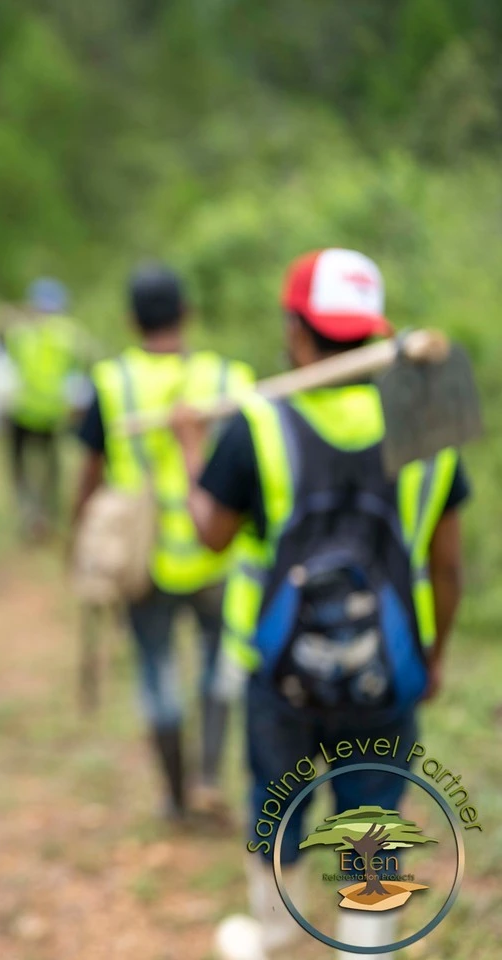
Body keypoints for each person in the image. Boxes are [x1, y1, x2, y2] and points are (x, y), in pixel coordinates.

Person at [178, 250, 466, 960]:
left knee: (276, 802)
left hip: (279, 667)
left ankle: (273, 934)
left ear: (298, 333)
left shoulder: (256, 422)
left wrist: (193, 449)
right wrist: (434, 652)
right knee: (373, 812)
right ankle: (365, 943)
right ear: (375, 332)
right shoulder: (423, 421)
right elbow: (448, 561)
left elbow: (210, 536)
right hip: (389, 663)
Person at [72, 263, 255, 822]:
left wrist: (79, 538)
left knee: (156, 669)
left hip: (143, 561)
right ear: (188, 313)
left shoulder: (111, 383)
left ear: (132, 320)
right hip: (218, 552)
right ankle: (206, 777)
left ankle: (176, 797)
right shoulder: (231, 379)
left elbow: (91, 473)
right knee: (216, 663)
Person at [4, 278, 86, 538]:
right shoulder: (70, 334)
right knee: (51, 467)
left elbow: (1, 363)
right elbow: (77, 374)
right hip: (53, 412)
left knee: (20, 465)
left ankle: (30, 514)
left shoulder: (19, 332)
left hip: (22, 410)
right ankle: (48, 512)